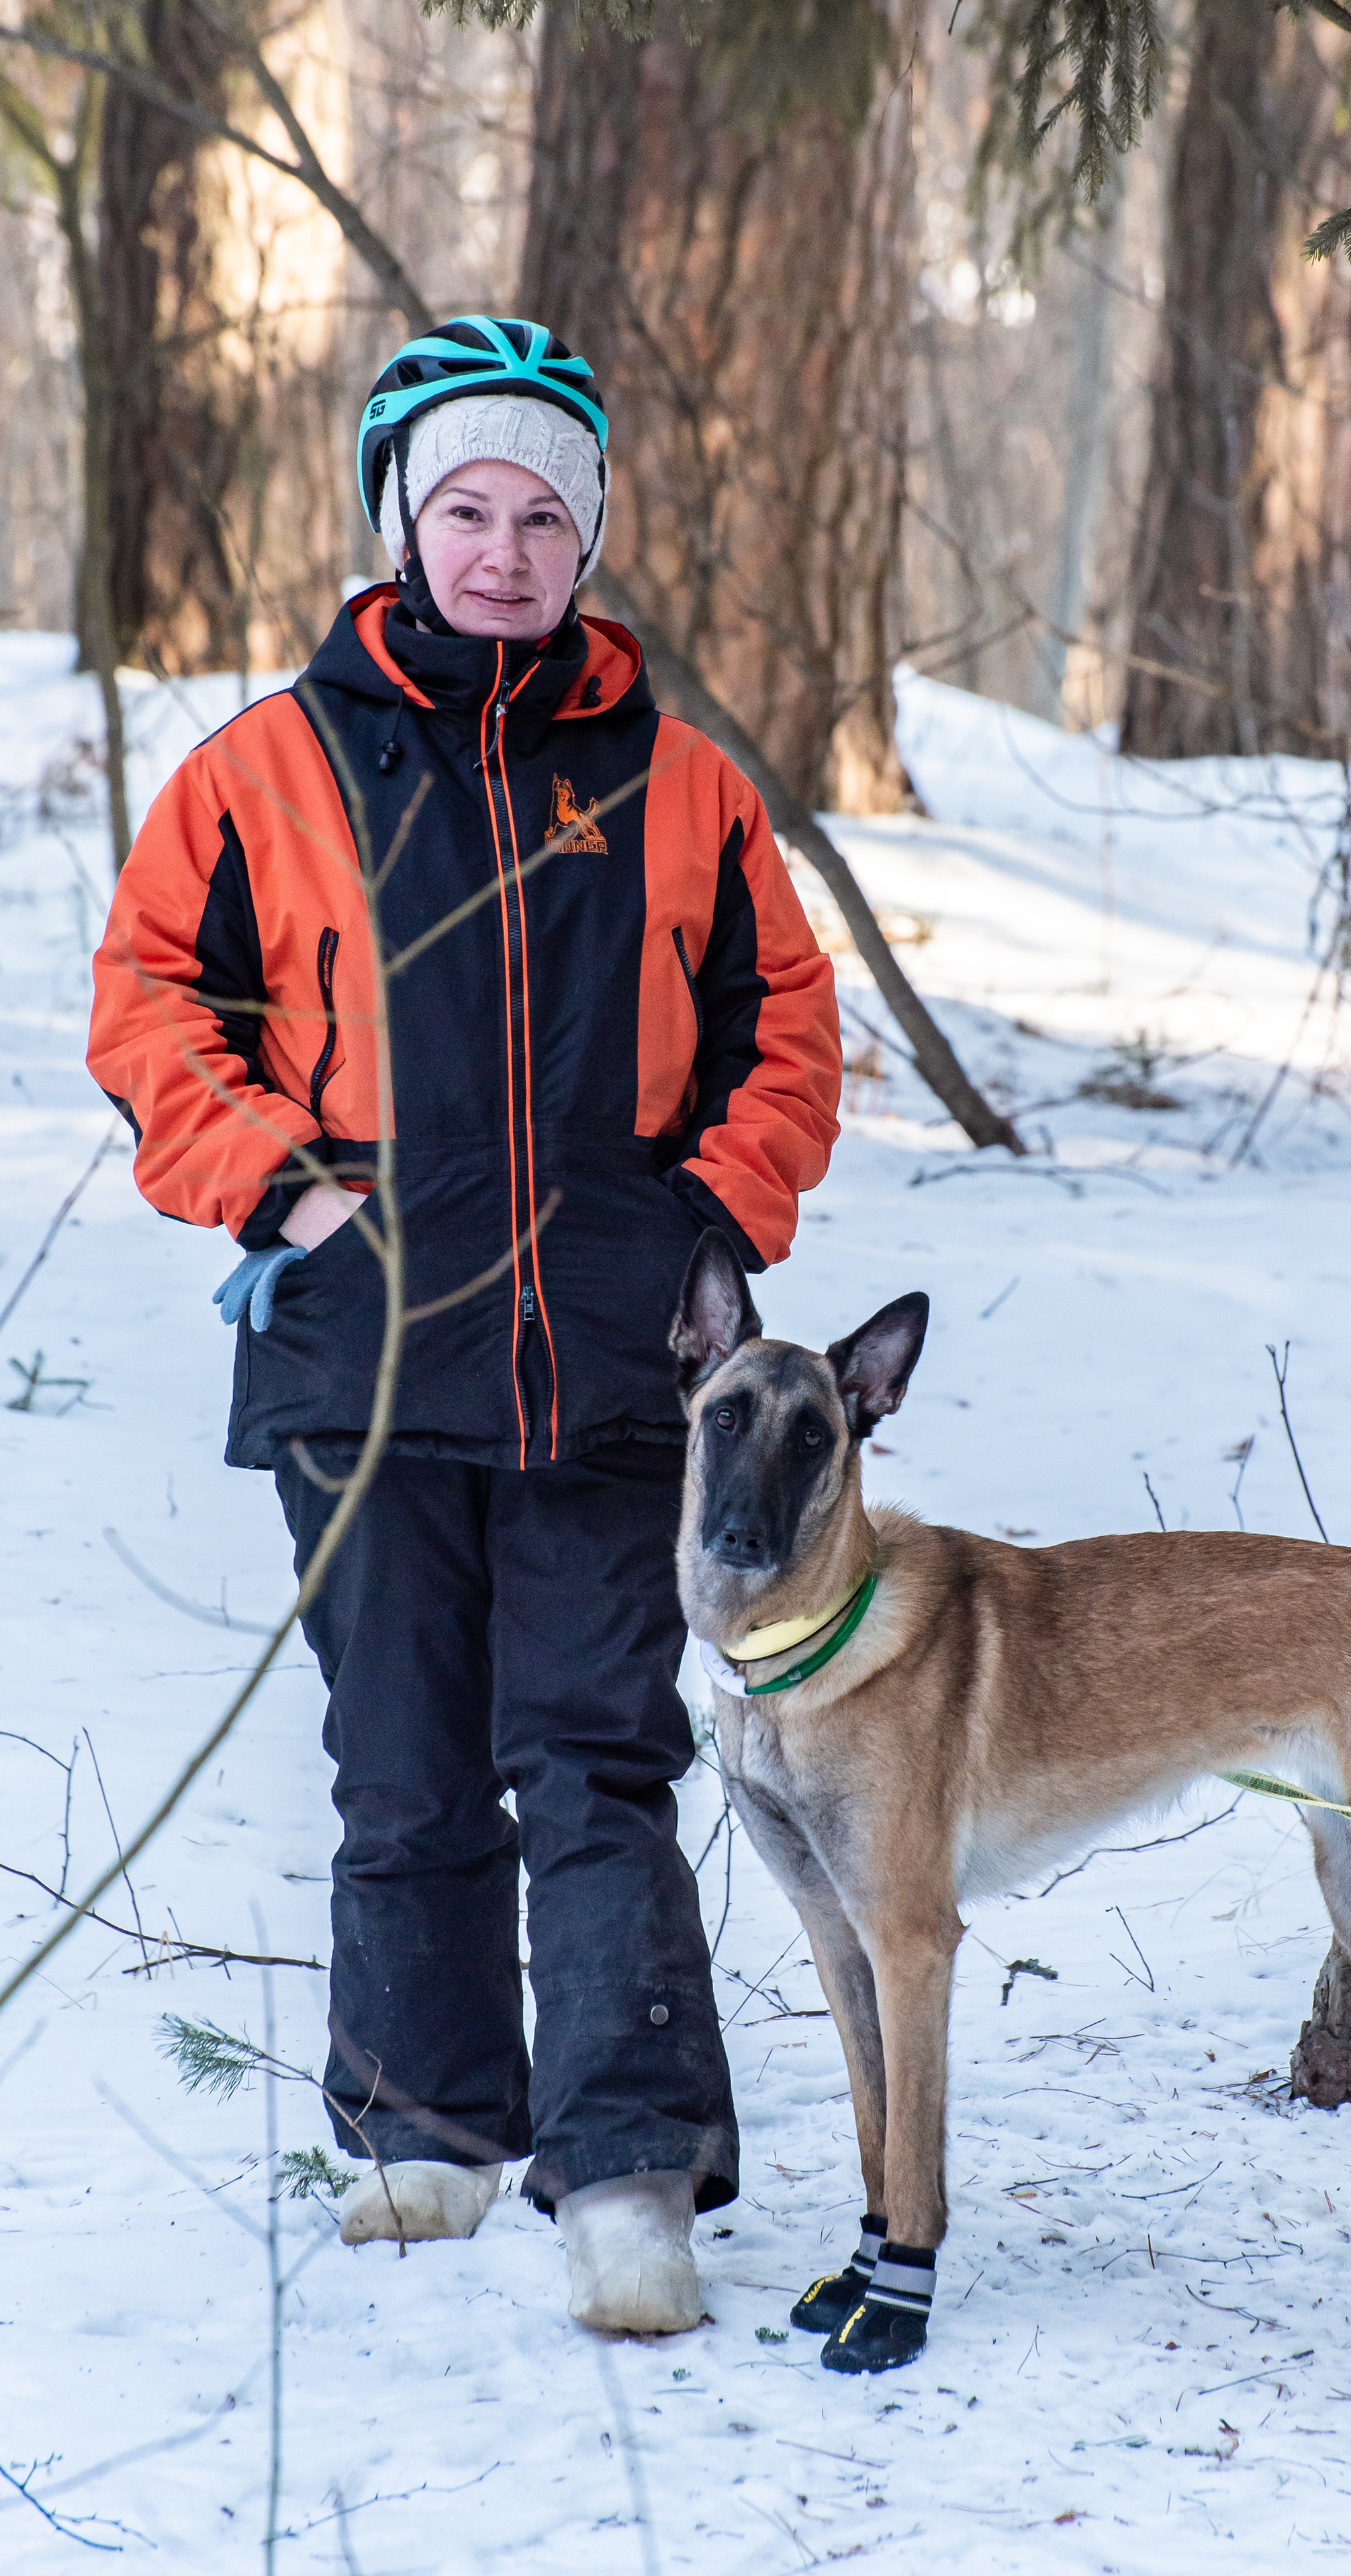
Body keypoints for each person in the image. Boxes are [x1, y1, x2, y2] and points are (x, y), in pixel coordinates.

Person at [87, 316, 843, 2333]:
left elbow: (789, 1033)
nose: (502, 550)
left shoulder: (681, 788)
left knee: (596, 1756)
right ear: (399, 521)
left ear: (588, 539)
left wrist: (709, 1215)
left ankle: (632, 2172)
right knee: (403, 1761)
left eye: (542, 513)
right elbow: (154, 1006)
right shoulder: (265, 767)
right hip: (361, 1350)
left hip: (617, 1361)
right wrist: (283, 1189)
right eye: (465, 507)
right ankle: (426, 2131)